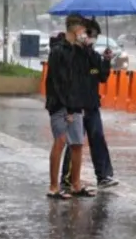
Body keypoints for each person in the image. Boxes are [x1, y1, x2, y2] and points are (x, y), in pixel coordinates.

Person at [59, 18, 119, 189]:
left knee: (97, 138)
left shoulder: (92, 54)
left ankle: (104, 175)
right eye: (91, 35)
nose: (92, 39)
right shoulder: (71, 53)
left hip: (92, 104)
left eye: (95, 37)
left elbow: (101, 76)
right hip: (76, 106)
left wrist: (106, 60)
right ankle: (68, 177)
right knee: (75, 142)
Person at [45, 15, 97, 200]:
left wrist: (88, 49)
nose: (85, 34)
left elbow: (92, 70)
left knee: (77, 144)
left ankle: (76, 184)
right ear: (75, 30)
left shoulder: (79, 50)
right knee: (60, 142)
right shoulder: (58, 50)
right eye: (83, 30)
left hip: (76, 104)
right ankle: (53, 187)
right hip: (60, 104)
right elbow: (58, 81)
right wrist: (65, 108)